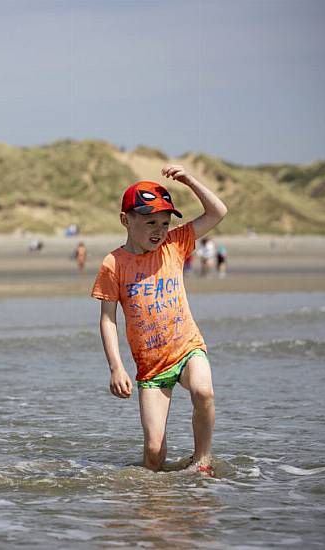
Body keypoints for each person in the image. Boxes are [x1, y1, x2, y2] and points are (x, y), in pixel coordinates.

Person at [91, 165, 227, 475]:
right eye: (150, 222)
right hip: (151, 366)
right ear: (126, 220)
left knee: (204, 391)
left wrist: (190, 180)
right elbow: (108, 320)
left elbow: (218, 212)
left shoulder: (175, 245)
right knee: (153, 454)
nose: (159, 230)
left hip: (187, 347)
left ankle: (201, 462)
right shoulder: (114, 264)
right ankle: (153, 501)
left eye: (165, 223)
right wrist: (115, 367)